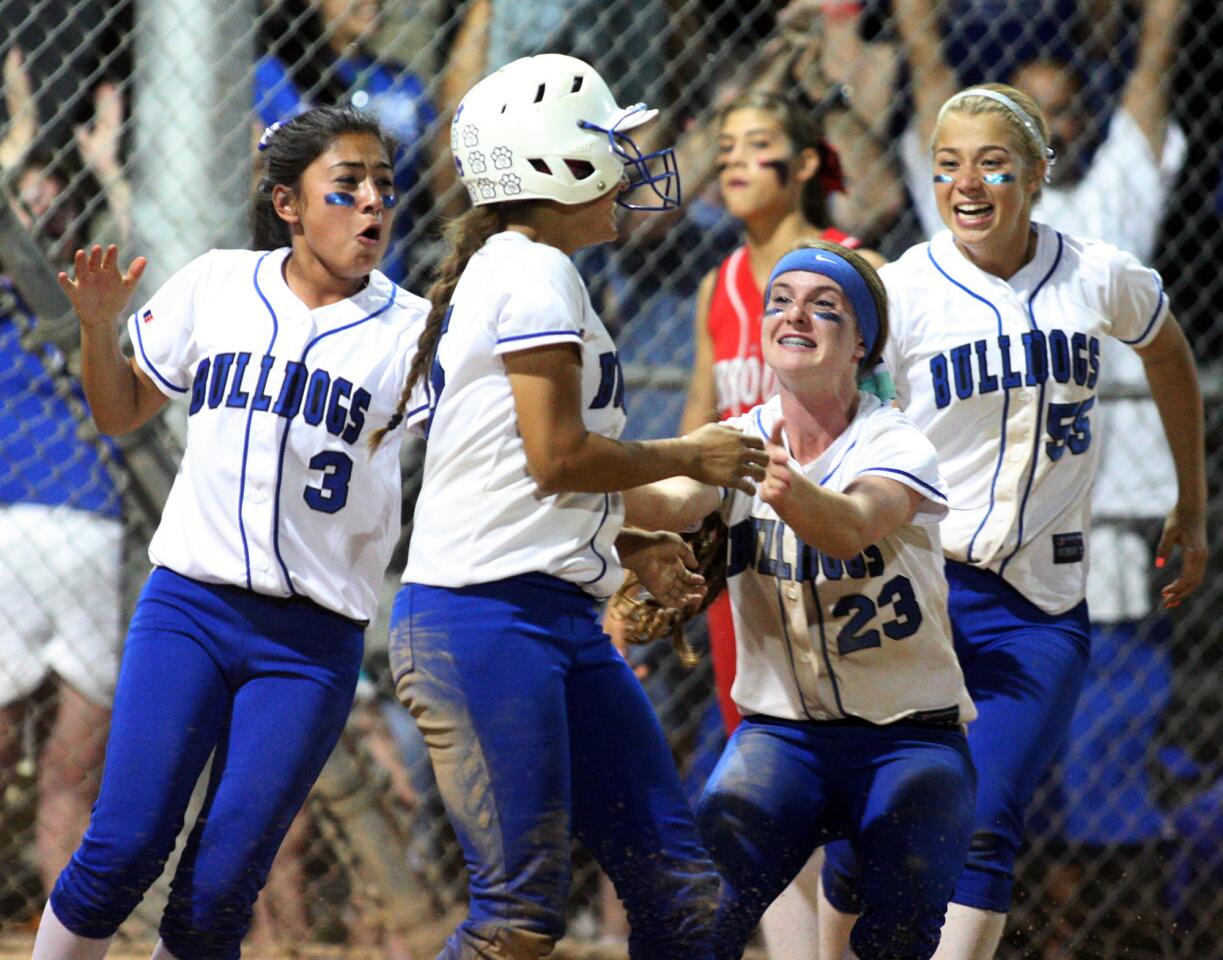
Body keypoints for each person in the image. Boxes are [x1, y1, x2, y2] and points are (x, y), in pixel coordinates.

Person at [379, 53, 768, 959]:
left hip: (546, 616)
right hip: (482, 622)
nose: (631, 163)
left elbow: (518, 469)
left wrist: (621, 539)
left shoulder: (529, 267)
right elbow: (558, 458)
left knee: (683, 900)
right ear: (555, 164)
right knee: (515, 919)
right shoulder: (532, 274)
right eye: (607, 143)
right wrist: (689, 452)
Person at [30, 104, 430, 960]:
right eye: (347, 186)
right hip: (190, 609)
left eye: (384, 189)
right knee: (123, 847)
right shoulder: (219, 283)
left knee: (219, 886)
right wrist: (100, 328)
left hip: (310, 638)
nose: (373, 206)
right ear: (287, 203)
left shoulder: (412, 332)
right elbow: (119, 410)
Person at [817, 83, 1208, 960]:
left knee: (984, 818)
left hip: (1038, 603)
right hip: (917, 587)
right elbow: (850, 423)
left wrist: (1192, 497)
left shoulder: (1095, 273)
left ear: (1035, 176)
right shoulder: (903, 289)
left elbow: (1167, 350)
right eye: (948, 164)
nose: (968, 183)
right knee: (864, 824)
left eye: (993, 165)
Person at [625, 239, 977, 960]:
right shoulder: (738, 438)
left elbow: (849, 526)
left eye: (825, 307)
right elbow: (664, 501)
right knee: (693, 914)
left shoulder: (896, 441)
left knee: (898, 934)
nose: (796, 315)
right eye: (780, 301)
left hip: (908, 739)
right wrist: (577, 460)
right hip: (784, 737)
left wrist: (787, 488)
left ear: (860, 347)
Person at [255, 0, 458, 284]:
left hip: (392, 275)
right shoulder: (272, 76)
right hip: (301, 275)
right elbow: (257, 180)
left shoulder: (400, 82)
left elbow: (441, 185)